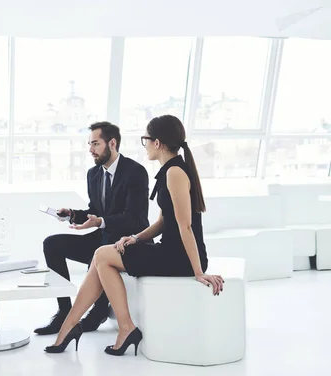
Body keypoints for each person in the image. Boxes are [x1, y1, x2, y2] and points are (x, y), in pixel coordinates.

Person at [44, 115, 224, 356]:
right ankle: (84, 326)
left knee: (102, 255)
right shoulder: (168, 171)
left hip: (177, 257)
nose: (145, 145)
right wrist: (136, 238)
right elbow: (162, 221)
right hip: (168, 250)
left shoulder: (174, 173)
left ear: (157, 142)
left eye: (146, 140)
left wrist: (199, 272)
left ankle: (107, 327)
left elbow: (186, 226)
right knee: (103, 257)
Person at [34, 121, 150, 335]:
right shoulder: (94, 174)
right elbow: (96, 211)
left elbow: (135, 218)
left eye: (95, 144)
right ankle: (64, 312)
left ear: (112, 143)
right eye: (90, 144)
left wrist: (101, 222)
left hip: (129, 241)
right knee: (52, 244)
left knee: (101, 251)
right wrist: (72, 214)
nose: (90, 150)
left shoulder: (135, 172)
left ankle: (98, 312)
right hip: (104, 237)